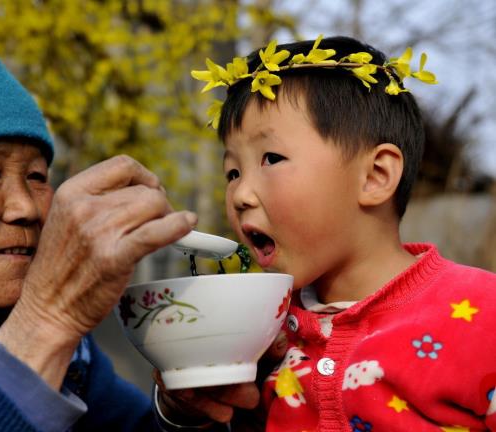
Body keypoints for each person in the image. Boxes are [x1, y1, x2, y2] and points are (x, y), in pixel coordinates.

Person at [0, 47, 247, 431]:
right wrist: (47, 321)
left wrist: (184, 413)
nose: (27, 208)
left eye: (37, 177)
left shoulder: (74, 356)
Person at [174, 35, 496, 431]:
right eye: (232, 172)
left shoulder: (484, 315)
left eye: (271, 158)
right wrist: (184, 406)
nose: (239, 194)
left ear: (375, 176)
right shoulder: (254, 326)